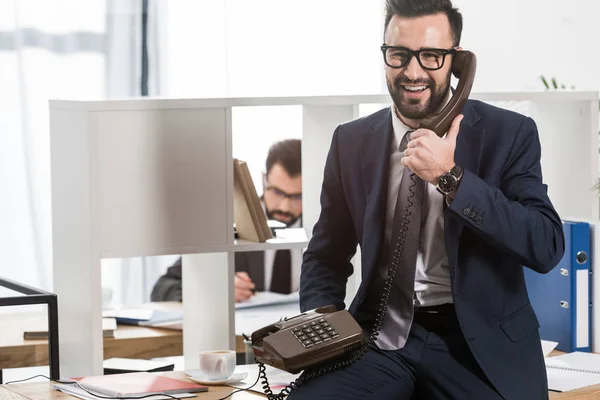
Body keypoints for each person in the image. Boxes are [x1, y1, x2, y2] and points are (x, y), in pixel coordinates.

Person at [290, 1, 564, 399]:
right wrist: (321, 330)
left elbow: (545, 245)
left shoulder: (510, 134)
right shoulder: (350, 141)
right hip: (379, 334)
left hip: (476, 345)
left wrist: (452, 177)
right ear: (384, 55)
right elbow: (326, 256)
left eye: (431, 56)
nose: (412, 71)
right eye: (398, 54)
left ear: (456, 61)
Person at [150, 138, 303, 303]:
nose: (285, 206)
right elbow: (162, 289)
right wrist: (218, 288)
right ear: (263, 179)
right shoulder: (228, 224)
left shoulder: (322, 229)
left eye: (297, 196)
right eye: (278, 192)